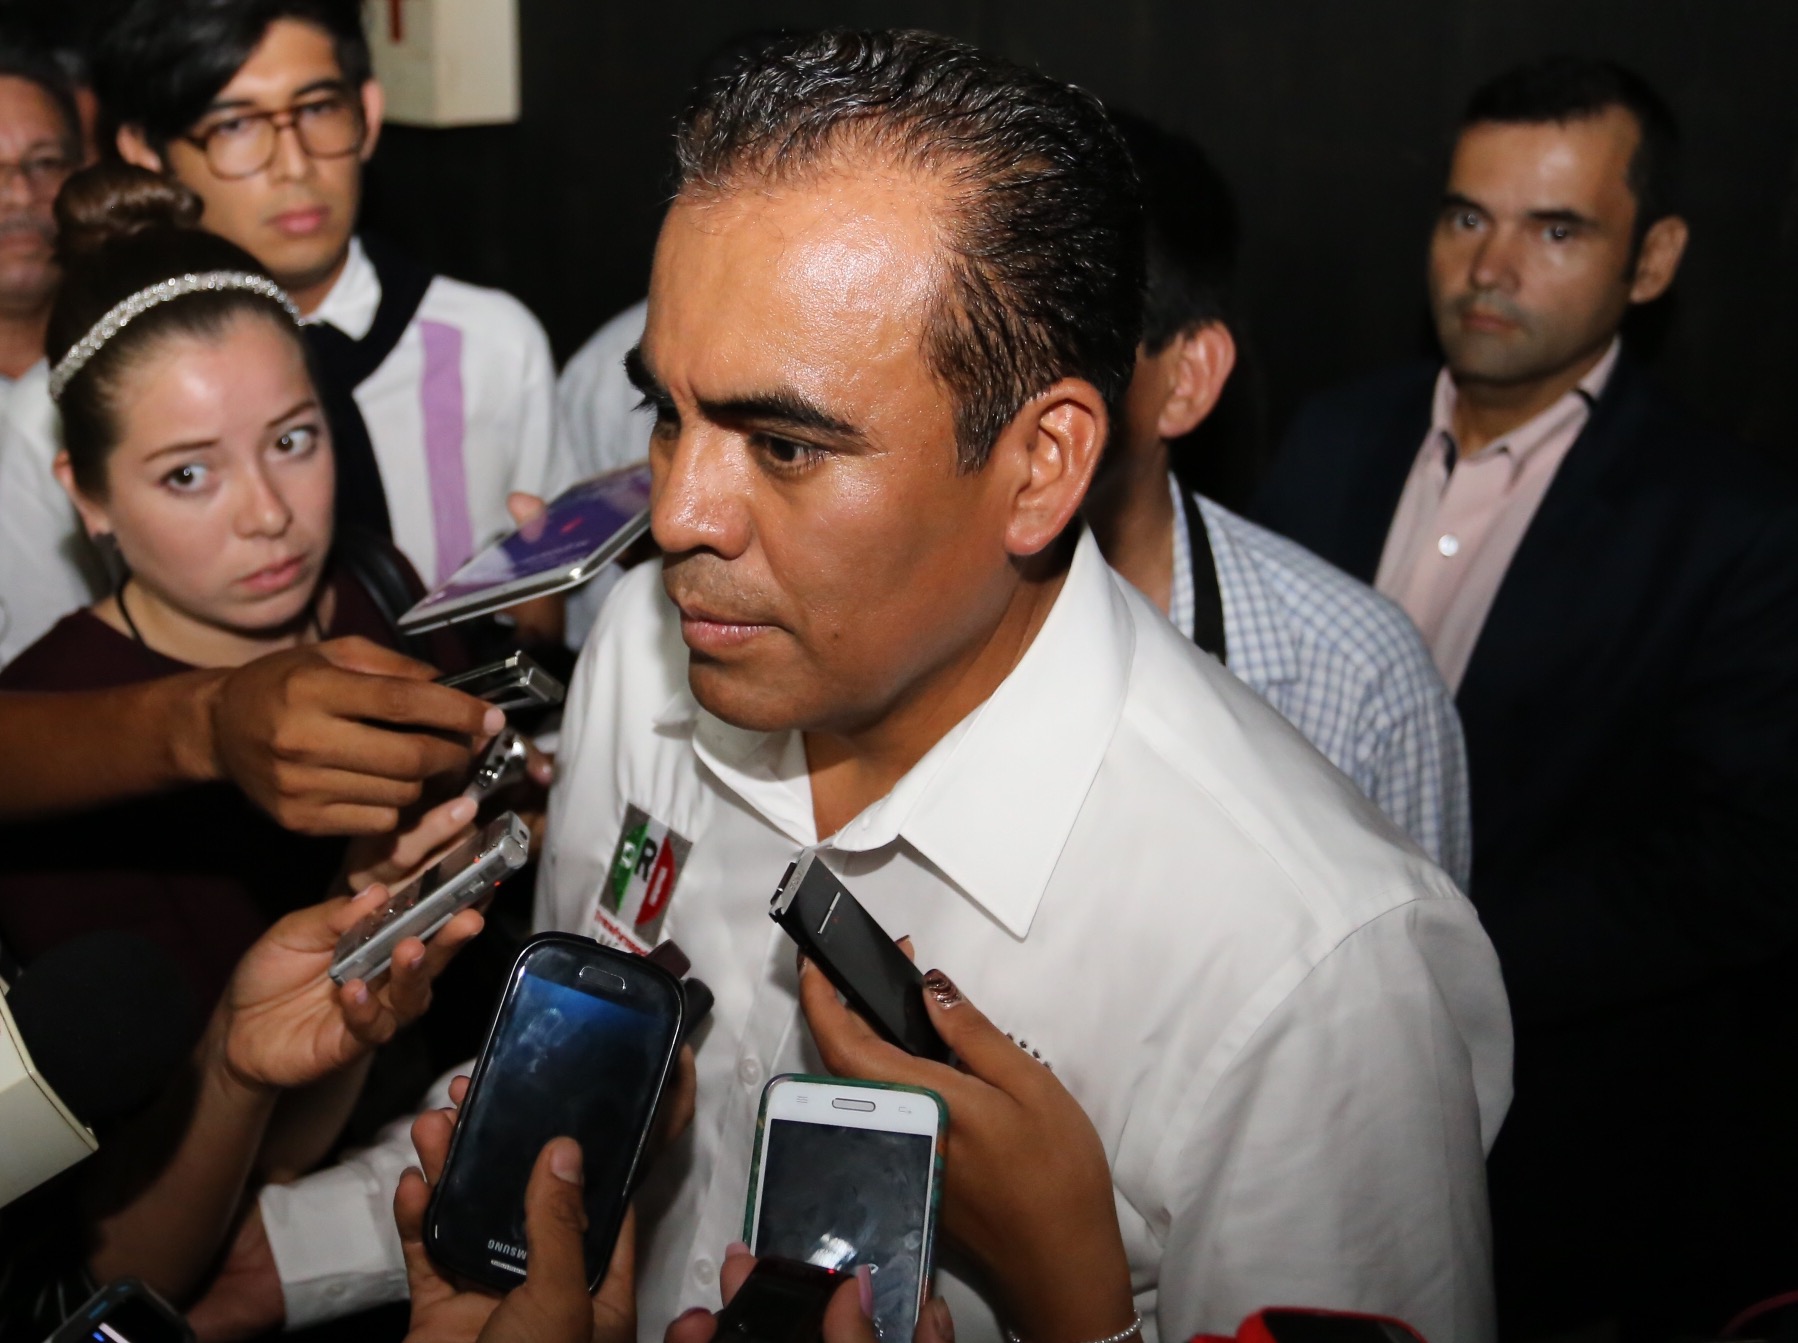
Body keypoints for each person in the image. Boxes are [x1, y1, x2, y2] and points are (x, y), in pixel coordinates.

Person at [238, 30, 1511, 1343]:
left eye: (783, 444)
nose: (675, 515)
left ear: (1039, 465)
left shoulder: (1314, 969)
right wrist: (276, 1255)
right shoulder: (642, 654)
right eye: (667, 415)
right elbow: (554, 1098)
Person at [1253, 56, 1798, 1340]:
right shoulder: (1332, 434)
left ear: (1651, 260)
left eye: (1555, 230)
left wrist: (1425, 950)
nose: (1489, 267)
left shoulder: (1732, 524)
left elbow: (1739, 864)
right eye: (1466, 216)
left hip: (1559, 1135)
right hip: (1280, 1066)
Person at [0, 162, 477, 1039]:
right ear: (88, 495)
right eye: (188, 474)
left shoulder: (377, 581)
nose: (269, 514)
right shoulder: (50, 734)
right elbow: (176, 1109)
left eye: (292, 440)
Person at [0, 0, 572, 664]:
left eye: (318, 108)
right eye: (235, 124)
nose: (293, 164)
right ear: (144, 152)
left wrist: (535, 636)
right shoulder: (58, 409)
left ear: (368, 112)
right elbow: (44, 692)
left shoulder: (490, 345)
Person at [1086, 111, 1469, 884]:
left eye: (1072, 339)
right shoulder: (891, 607)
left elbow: (1416, 958)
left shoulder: (1359, 681)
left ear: (1186, 379)